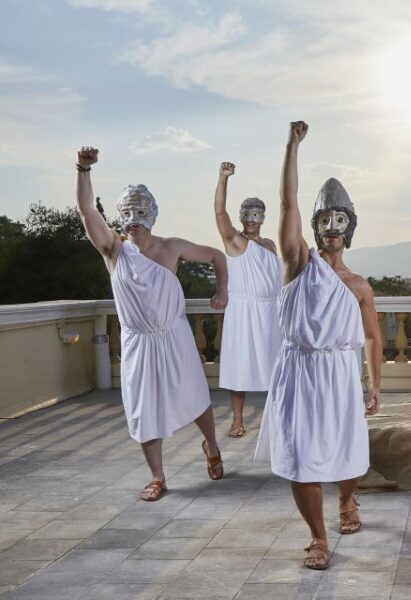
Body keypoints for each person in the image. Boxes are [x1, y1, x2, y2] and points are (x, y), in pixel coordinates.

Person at [255, 122, 383, 570]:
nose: (332, 228)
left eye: (340, 221)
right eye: (325, 220)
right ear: (314, 227)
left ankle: (348, 502)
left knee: (349, 451)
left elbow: (371, 336)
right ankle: (318, 537)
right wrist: (291, 146)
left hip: (340, 371)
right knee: (302, 457)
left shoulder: (358, 285)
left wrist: (375, 384)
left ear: (350, 229)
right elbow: (288, 200)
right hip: (298, 369)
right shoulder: (296, 263)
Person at [74, 146, 227, 502]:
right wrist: (83, 169)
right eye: (128, 212)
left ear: (152, 214)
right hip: (137, 342)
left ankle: (212, 443)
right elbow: (85, 210)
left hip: (173, 336)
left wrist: (223, 291)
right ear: (121, 217)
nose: (134, 219)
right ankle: (157, 476)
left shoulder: (171, 247)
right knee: (143, 409)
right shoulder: (113, 250)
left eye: (141, 211)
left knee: (195, 396)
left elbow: (217, 255)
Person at [213, 161, 281, 438]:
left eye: (257, 214)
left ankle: (277, 417)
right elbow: (219, 211)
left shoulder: (270, 245)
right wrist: (223, 178)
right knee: (239, 365)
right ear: (242, 217)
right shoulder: (235, 241)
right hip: (243, 310)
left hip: (270, 311)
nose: (252, 219)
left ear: (263, 217)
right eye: (247, 214)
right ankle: (237, 421)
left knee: (276, 365)